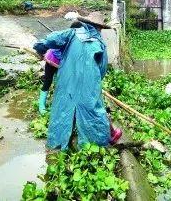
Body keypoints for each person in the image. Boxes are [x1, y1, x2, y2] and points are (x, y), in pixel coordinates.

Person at [33, 12, 122, 150]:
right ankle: (94, 144)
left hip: (66, 83)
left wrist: (40, 48)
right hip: (89, 86)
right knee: (93, 110)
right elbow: (102, 70)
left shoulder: (70, 34)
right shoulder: (100, 44)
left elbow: (49, 40)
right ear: (99, 28)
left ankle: (59, 143)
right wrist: (92, 83)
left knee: (62, 108)